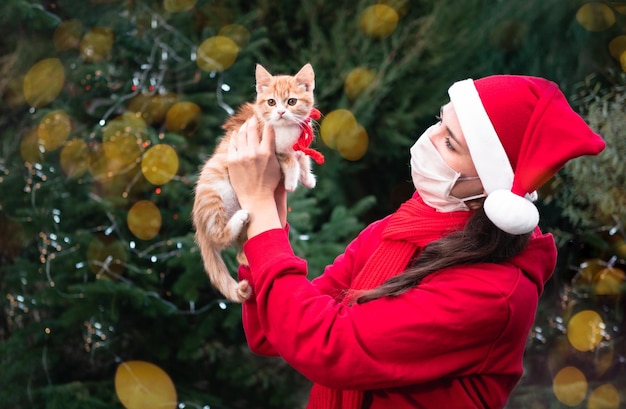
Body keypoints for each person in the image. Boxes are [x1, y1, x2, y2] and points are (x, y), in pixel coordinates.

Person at [224, 75, 605, 408]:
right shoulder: (404, 224)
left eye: (451, 144)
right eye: (440, 121)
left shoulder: (495, 292)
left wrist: (260, 214)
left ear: (494, 182)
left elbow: (329, 345)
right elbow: (272, 333)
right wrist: (270, 208)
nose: (429, 138)